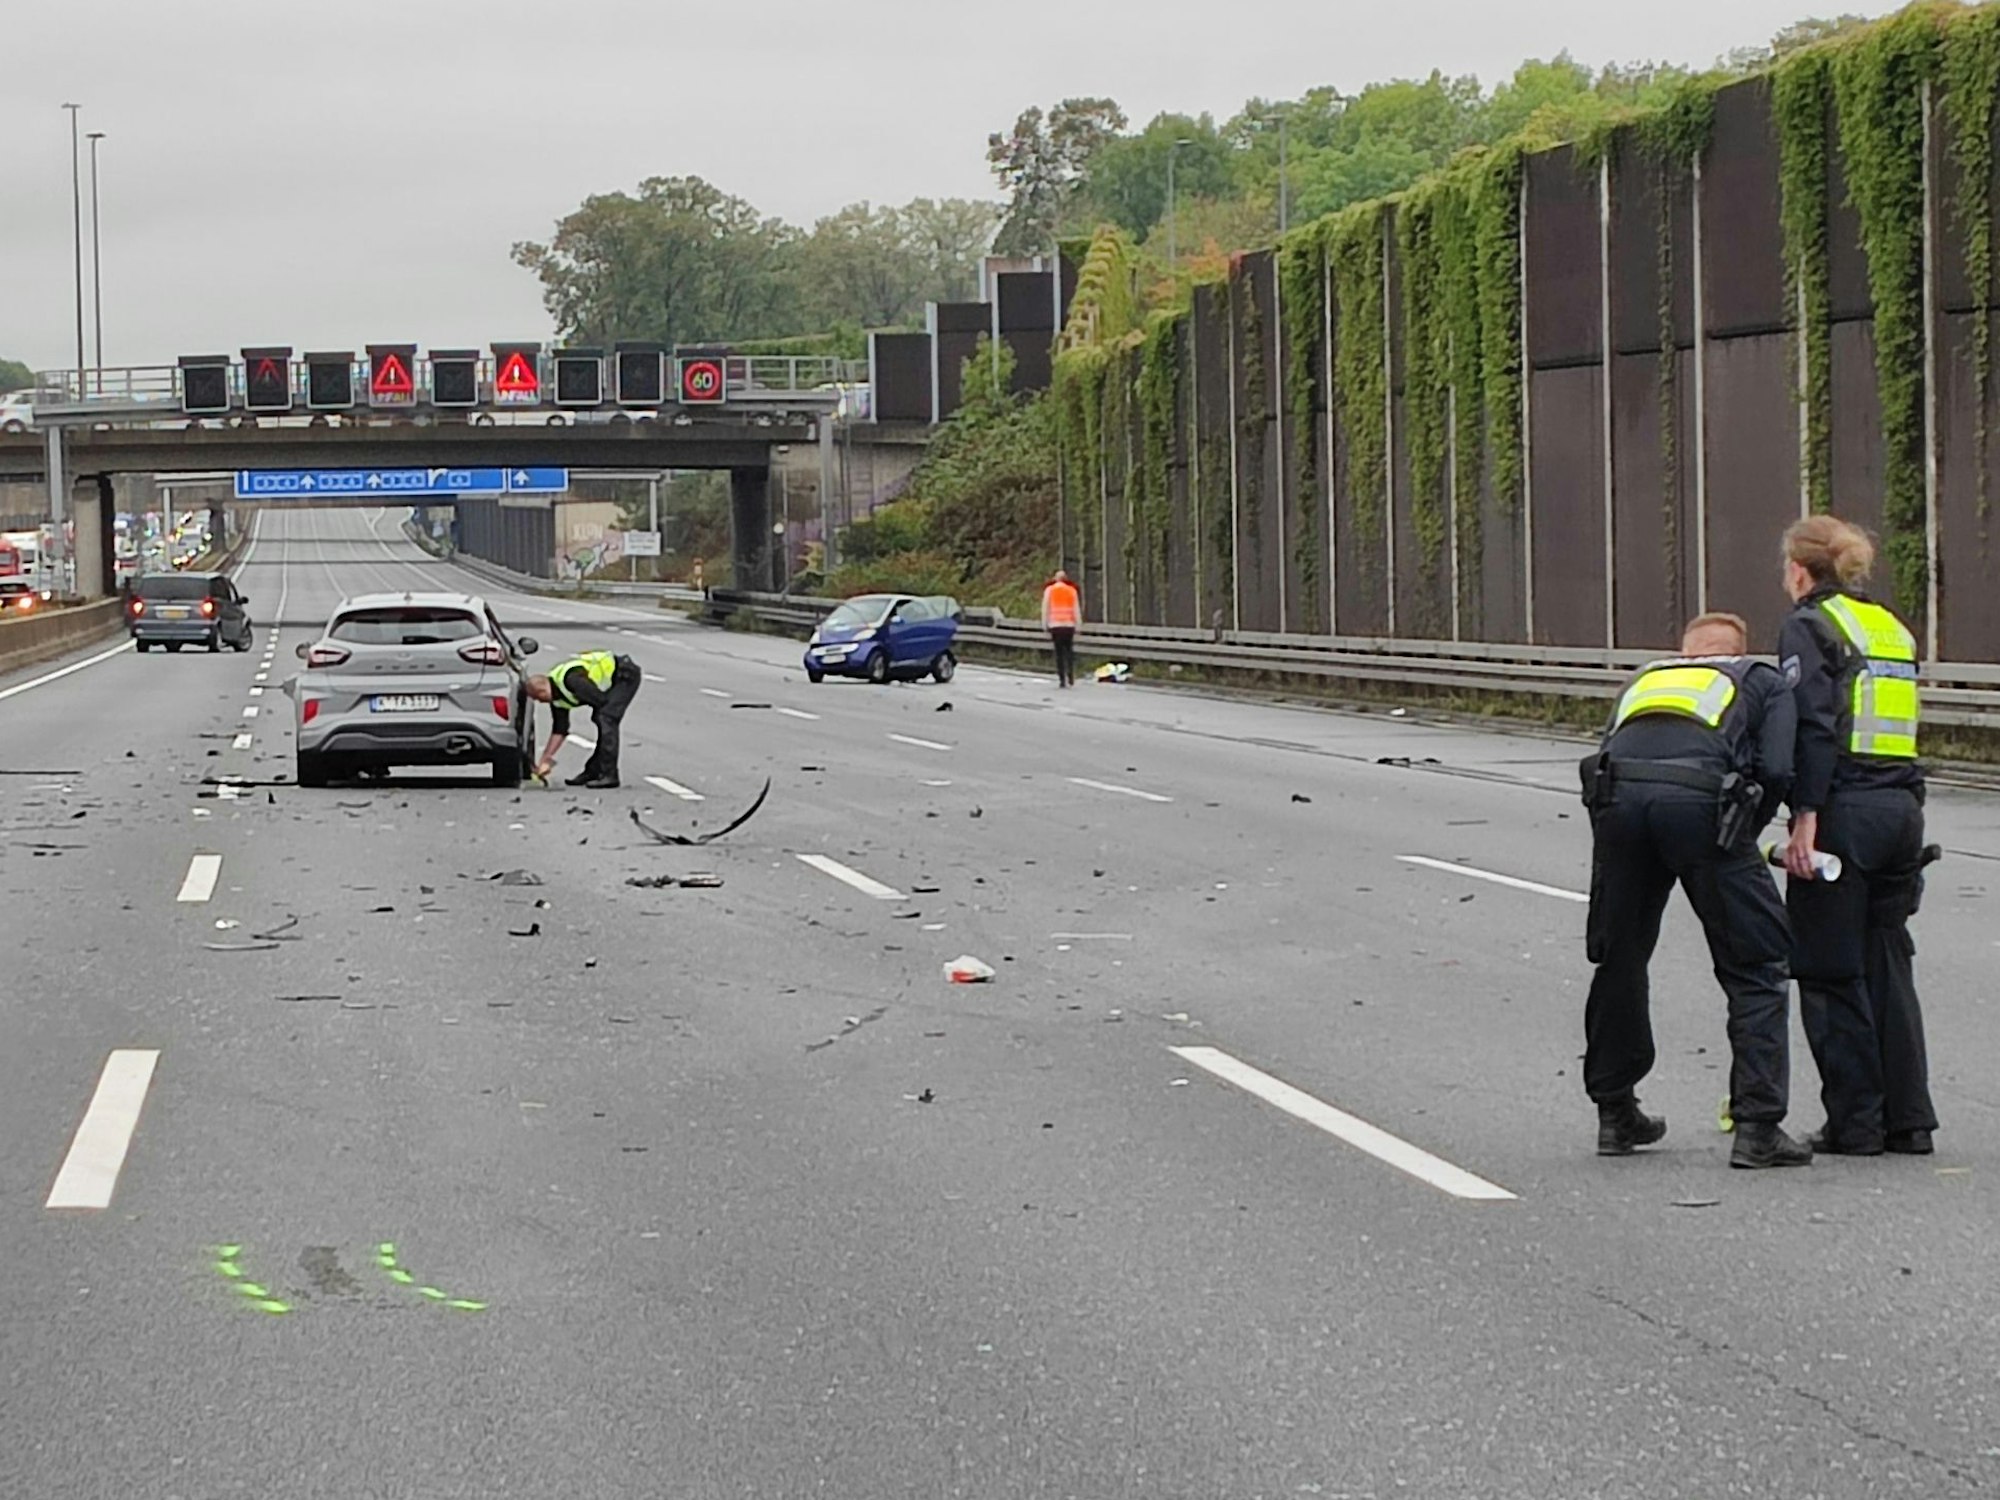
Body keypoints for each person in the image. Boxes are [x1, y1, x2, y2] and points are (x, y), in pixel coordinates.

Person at [1580, 612, 1812, 1169]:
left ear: (1685, 653)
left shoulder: (1647, 678)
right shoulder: (1760, 680)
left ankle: (1615, 1112)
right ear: (1739, 650)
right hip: (1702, 807)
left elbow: (1610, 750)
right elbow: (1777, 768)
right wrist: (1745, 833)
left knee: (1620, 957)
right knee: (1757, 964)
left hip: (1618, 805)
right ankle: (1757, 1127)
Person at [1777, 516, 1937, 1156]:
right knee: (1887, 964)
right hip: (1901, 809)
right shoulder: (1888, 625)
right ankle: (1909, 1120)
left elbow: (1814, 724)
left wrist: (1805, 815)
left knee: (1828, 968)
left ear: (1799, 571)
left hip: (1844, 810)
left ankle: (1855, 1123)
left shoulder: (1810, 624)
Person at [526, 650, 642, 789]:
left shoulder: (572, 680)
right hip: (612, 680)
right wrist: (545, 760)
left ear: (542, 691)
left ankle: (609, 775)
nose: (540, 702)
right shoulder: (557, 698)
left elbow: (600, 700)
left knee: (606, 718)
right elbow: (560, 730)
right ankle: (594, 771)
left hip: (624, 674)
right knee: (602, 718)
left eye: (539, 698)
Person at [1042, 569, 1081, 688]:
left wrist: (1045, 624)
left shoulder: (1050, 590)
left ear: (1055, 578)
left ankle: (1062, 679)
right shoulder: (1072, 590)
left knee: (1059, 653)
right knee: (1069, 651)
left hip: (1055, 626)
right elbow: (1076, 609)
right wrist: (1078, 625)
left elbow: (1046, 608)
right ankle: (1070, 675)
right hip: (1069, 625)